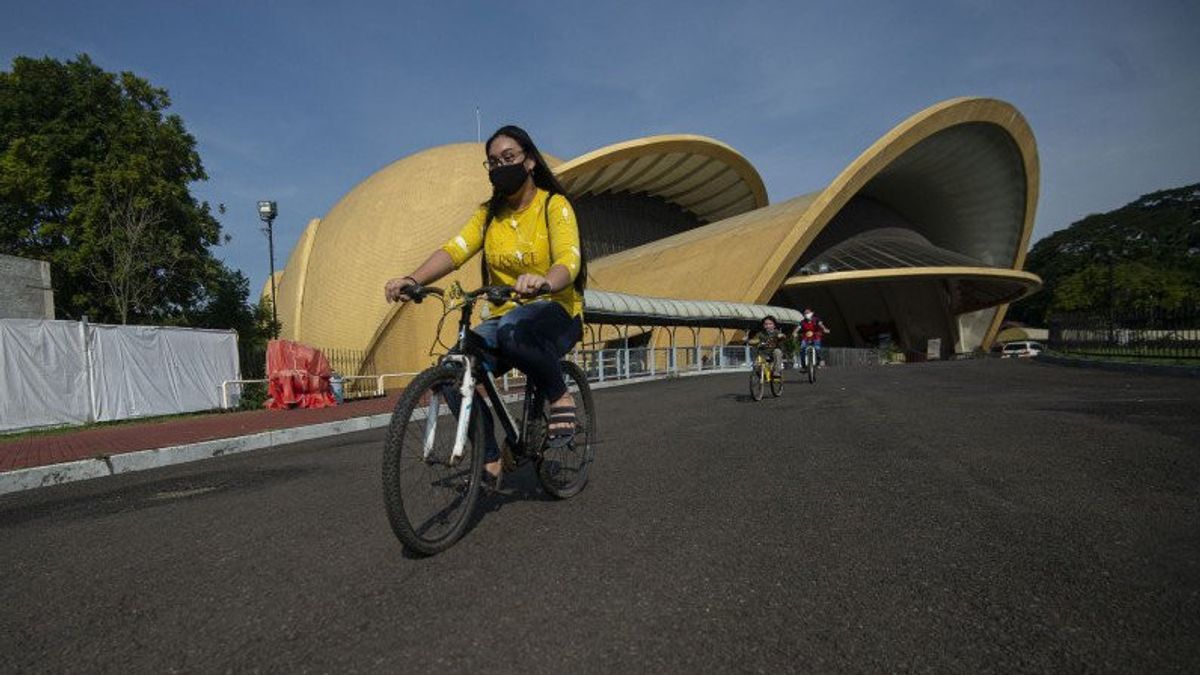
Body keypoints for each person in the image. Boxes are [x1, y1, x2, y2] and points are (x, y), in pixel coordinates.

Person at [384, 125, 585, 480]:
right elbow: (456, 249)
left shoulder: (554, 206)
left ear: (530, 162)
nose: (500, 167)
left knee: (512, 330)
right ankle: (489, 454)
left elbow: (569, 259)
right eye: (492, 162)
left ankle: (559, 396)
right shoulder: (489, 215)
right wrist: (413, 280)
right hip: (507, 316)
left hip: (554, 310)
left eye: (509, 158)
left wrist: (543, 282)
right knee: (452, 368)